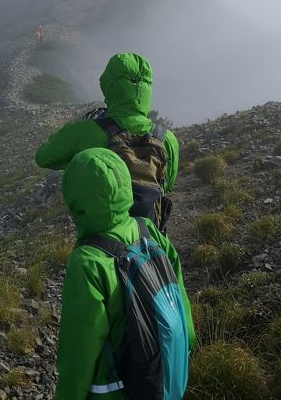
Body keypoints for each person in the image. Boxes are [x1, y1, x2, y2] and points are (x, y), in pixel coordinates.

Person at [53, 147, 195, 400]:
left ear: (76, 201)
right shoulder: (149, 229)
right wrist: (183, 351)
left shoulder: (87, 261)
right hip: (165, 375)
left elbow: (80, 350)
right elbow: (179, 299)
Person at [35, 53, 179, 227]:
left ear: (108, 85)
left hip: (101, 241)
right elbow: (167, 182)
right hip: (150, 239)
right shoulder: (167, 138)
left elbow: (43, 157)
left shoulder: (83, 132)